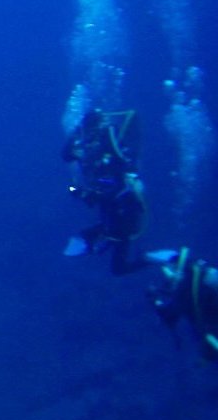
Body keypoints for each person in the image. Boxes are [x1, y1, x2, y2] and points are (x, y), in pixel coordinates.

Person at [62, 107, 149, 274]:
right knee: (109, 247)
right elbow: (66, 156)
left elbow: (119, 188)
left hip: (125, 213)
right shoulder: (91, 154)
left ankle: (149, 258)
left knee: (118, 266)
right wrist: (76, 190)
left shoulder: (112, 150)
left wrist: (92, 195)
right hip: (111, 212)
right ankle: (93, 242)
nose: (87, 142)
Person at [147, 248, 218, 361]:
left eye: (168, 270)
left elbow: (168, 317)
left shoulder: (184, 290)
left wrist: (155, 301)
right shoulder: (202, 272)